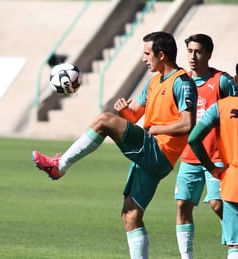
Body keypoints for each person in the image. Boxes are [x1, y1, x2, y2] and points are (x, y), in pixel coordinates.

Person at [32, 31, 197, 258]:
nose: (143, 58)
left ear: (161, 54)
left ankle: (59, 166)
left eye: (147, 53)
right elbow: (134, 116)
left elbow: (188, 123)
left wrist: (157, 129)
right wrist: (124, 111)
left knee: (103, 121)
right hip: (150, 153)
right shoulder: (153, 82)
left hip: (160, 151)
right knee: (130, 215)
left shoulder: (182, 82)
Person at [174, 34, 237, 259]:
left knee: (218, 205)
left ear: (209, 54)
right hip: (190, 156)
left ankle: (235, 243)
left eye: (198, 51)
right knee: (182, 205)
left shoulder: (222, 81)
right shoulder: (181, 82)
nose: (193, 56)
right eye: (190, 51)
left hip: (218, 156)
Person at [188, 92, 238, 259]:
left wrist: (211, 168)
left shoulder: (221, 106)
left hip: (233, 181)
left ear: (236, 79)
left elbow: (194, 138)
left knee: (235, 244)